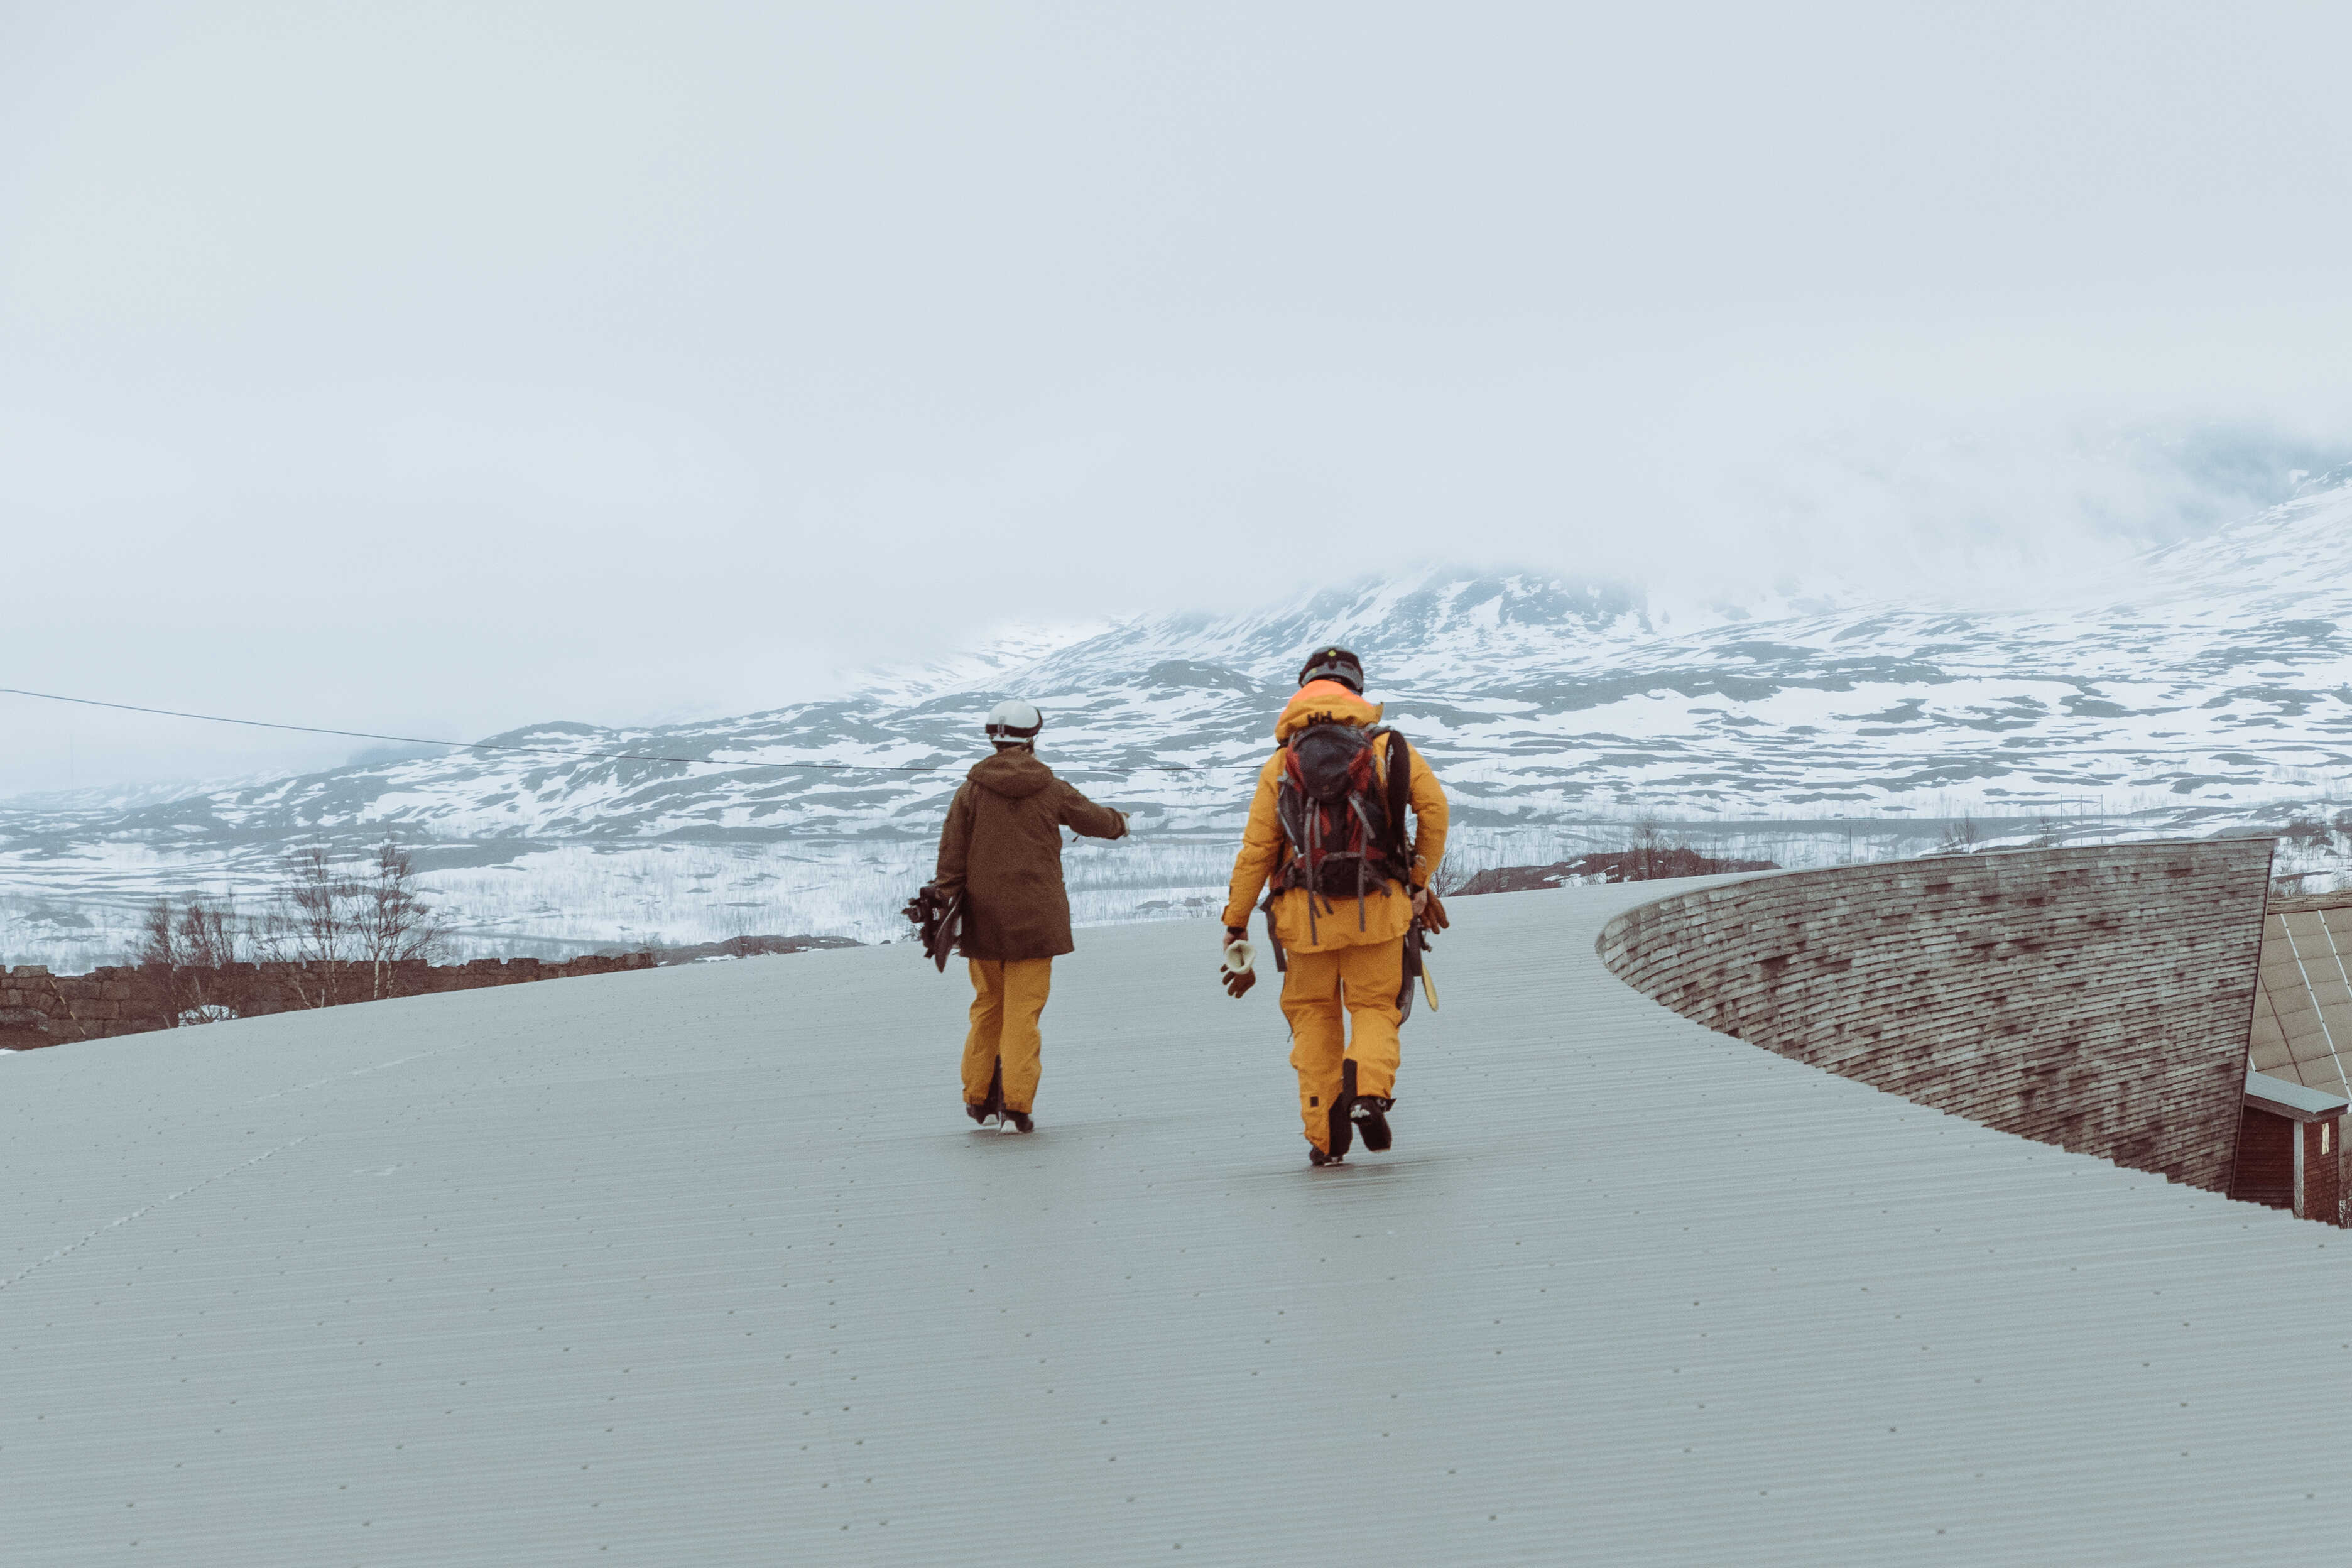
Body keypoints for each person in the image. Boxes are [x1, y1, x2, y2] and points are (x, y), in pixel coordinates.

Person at [1219, 646, 1449, 1165]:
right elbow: (1434, 811)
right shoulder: (1387, 748)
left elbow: (1257, 850)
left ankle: (1326, 1134)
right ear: (1357, 692)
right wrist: (1417, 880)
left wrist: (1236, 923)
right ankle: (1368, 1090)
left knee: (1313, 1018)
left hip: (1305, 920)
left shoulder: (1282, 763)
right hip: (1379, 907)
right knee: (1373, 1007)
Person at [927, 699, 1129, 1133]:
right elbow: (1094, 820)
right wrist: (1120, 822)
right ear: (1032, 737)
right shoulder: (1051, 787)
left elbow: (951, 857)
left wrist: (946, 907)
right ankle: (1017, 1105)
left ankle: (978, 1097)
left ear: (993, 738)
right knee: (1024, 1012)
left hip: (983, 920)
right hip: (1038, 921)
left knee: (987, 1007)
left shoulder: (971, 790)